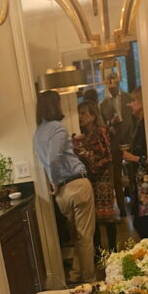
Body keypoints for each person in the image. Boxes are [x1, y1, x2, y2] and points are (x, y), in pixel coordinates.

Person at [33, 90, 95, 284]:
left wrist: (55, 181)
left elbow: (48, 159)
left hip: (62, 195)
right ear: (55, 105)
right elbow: (53, 159)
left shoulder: (38, 133)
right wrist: (56, 180)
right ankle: (90, 283)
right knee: (86, 237)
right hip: (76, 184)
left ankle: (75, 276)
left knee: (77, 237)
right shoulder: (57, 128)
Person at [73, 100, 116, 254]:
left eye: (83, 113)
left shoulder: (101, 131)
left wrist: (85, 154)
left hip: (102, 179)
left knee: (108, 217)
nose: (80, 116)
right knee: (94, 218)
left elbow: (107, 156)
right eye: (79, 113)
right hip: (90, 179)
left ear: (92, 116)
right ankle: (99, 253)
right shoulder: (83, 136)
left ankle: (113, 250)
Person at [122, 86, 148, 240]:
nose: (130, 104)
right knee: (139, 223)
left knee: (144, 226)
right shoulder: (140, 125)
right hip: (141, 187)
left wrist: (132, 157)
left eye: (134, 100)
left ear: (143, 102)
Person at [100, 79, 134, 217]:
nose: (111, 88)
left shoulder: (128, 97)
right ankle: (122, 208)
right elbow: (103, 124)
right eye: (108, 86)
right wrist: (110, 124)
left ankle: (135, 202)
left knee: (132, 174)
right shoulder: (103, 104)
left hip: (130, 139)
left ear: (118, 83)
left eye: (113, 86)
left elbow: (134, 117)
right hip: (114, 143)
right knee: (117, 178)